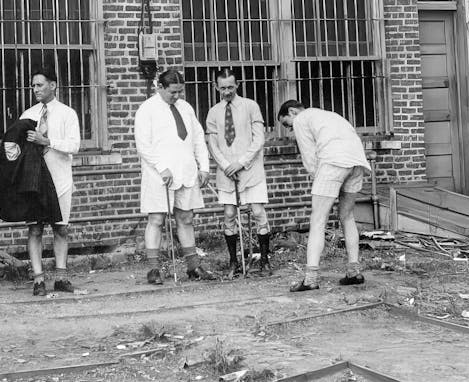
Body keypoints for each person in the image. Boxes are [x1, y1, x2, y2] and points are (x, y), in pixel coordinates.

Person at [277, 100, 372, 291]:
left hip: (333, 161)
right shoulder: (330, 115)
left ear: (292, 111)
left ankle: (311, 278)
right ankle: (354, 271)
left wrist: (316, 178)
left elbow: (309, 156)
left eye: (287, 124)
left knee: (318, 219)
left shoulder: (301, 119)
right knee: (347, 216)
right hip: (357, 162)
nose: (290, 130)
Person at [134, 68, 214, 284]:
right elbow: (143, 145)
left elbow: (198, 138)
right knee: (157, 219)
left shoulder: (186, 108)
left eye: (180, 92)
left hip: (185, 171)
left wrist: (204, 167)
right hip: (159, 175)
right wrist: (161, 167)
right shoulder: (146, 110)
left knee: (186, 218)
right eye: (172, 92)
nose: (177, 96)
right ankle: (154, 269)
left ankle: (193, 266)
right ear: (159, 87)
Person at [19, 66, 81, 296]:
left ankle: (61, 277)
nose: (35, 89)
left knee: (61, 228)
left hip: (60, 178)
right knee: (35, 228)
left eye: (40, 85)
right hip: (34, 180)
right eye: (33, 85)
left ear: (53, 85)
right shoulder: (28, 115)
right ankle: (38, 279)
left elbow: (74, 145)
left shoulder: (67, 114)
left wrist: (47, 141)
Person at [205, 69, 271, 276]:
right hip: (227, 172)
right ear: (216, 87)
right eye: (222, 88)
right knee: (229, 215)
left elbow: (259, 139)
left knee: (259, 213)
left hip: (250, 170)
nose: (227, 92)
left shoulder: (251, 106)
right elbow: (213, 144)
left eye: (230, 87)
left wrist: (241, 163)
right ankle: (234, 261)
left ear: (237, 85)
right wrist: (226, 166)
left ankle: (265, 261)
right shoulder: (214, 112)